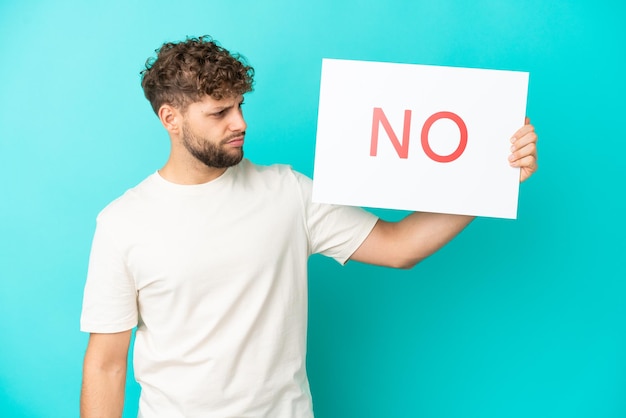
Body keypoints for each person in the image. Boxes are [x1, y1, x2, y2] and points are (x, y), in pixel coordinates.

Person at [80, 36, 538, 418]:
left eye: (240, 106)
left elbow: (399, 247)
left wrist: (491, 178)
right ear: (170, 119)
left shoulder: (289, 193)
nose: (240, 123)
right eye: (219, 113)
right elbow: (106, 364)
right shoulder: (123, 223)